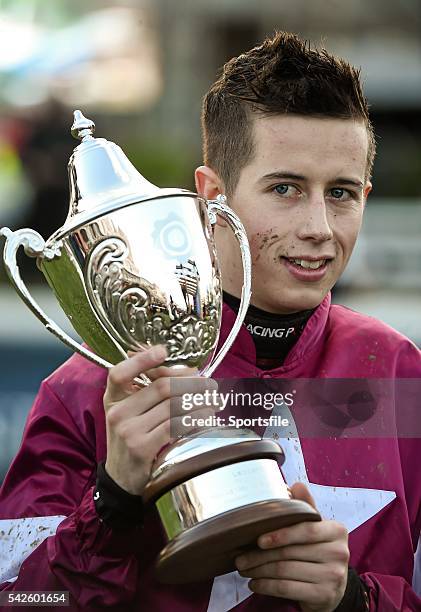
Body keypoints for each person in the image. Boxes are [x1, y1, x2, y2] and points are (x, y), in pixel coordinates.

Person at [0, 31, 420, 612]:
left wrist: (352, 599)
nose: (320, 227)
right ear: (211, 196)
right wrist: (115, 500)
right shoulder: (90, 390)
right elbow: (24, 601)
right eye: (285, 188)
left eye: (342, 193)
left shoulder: (399, 370)